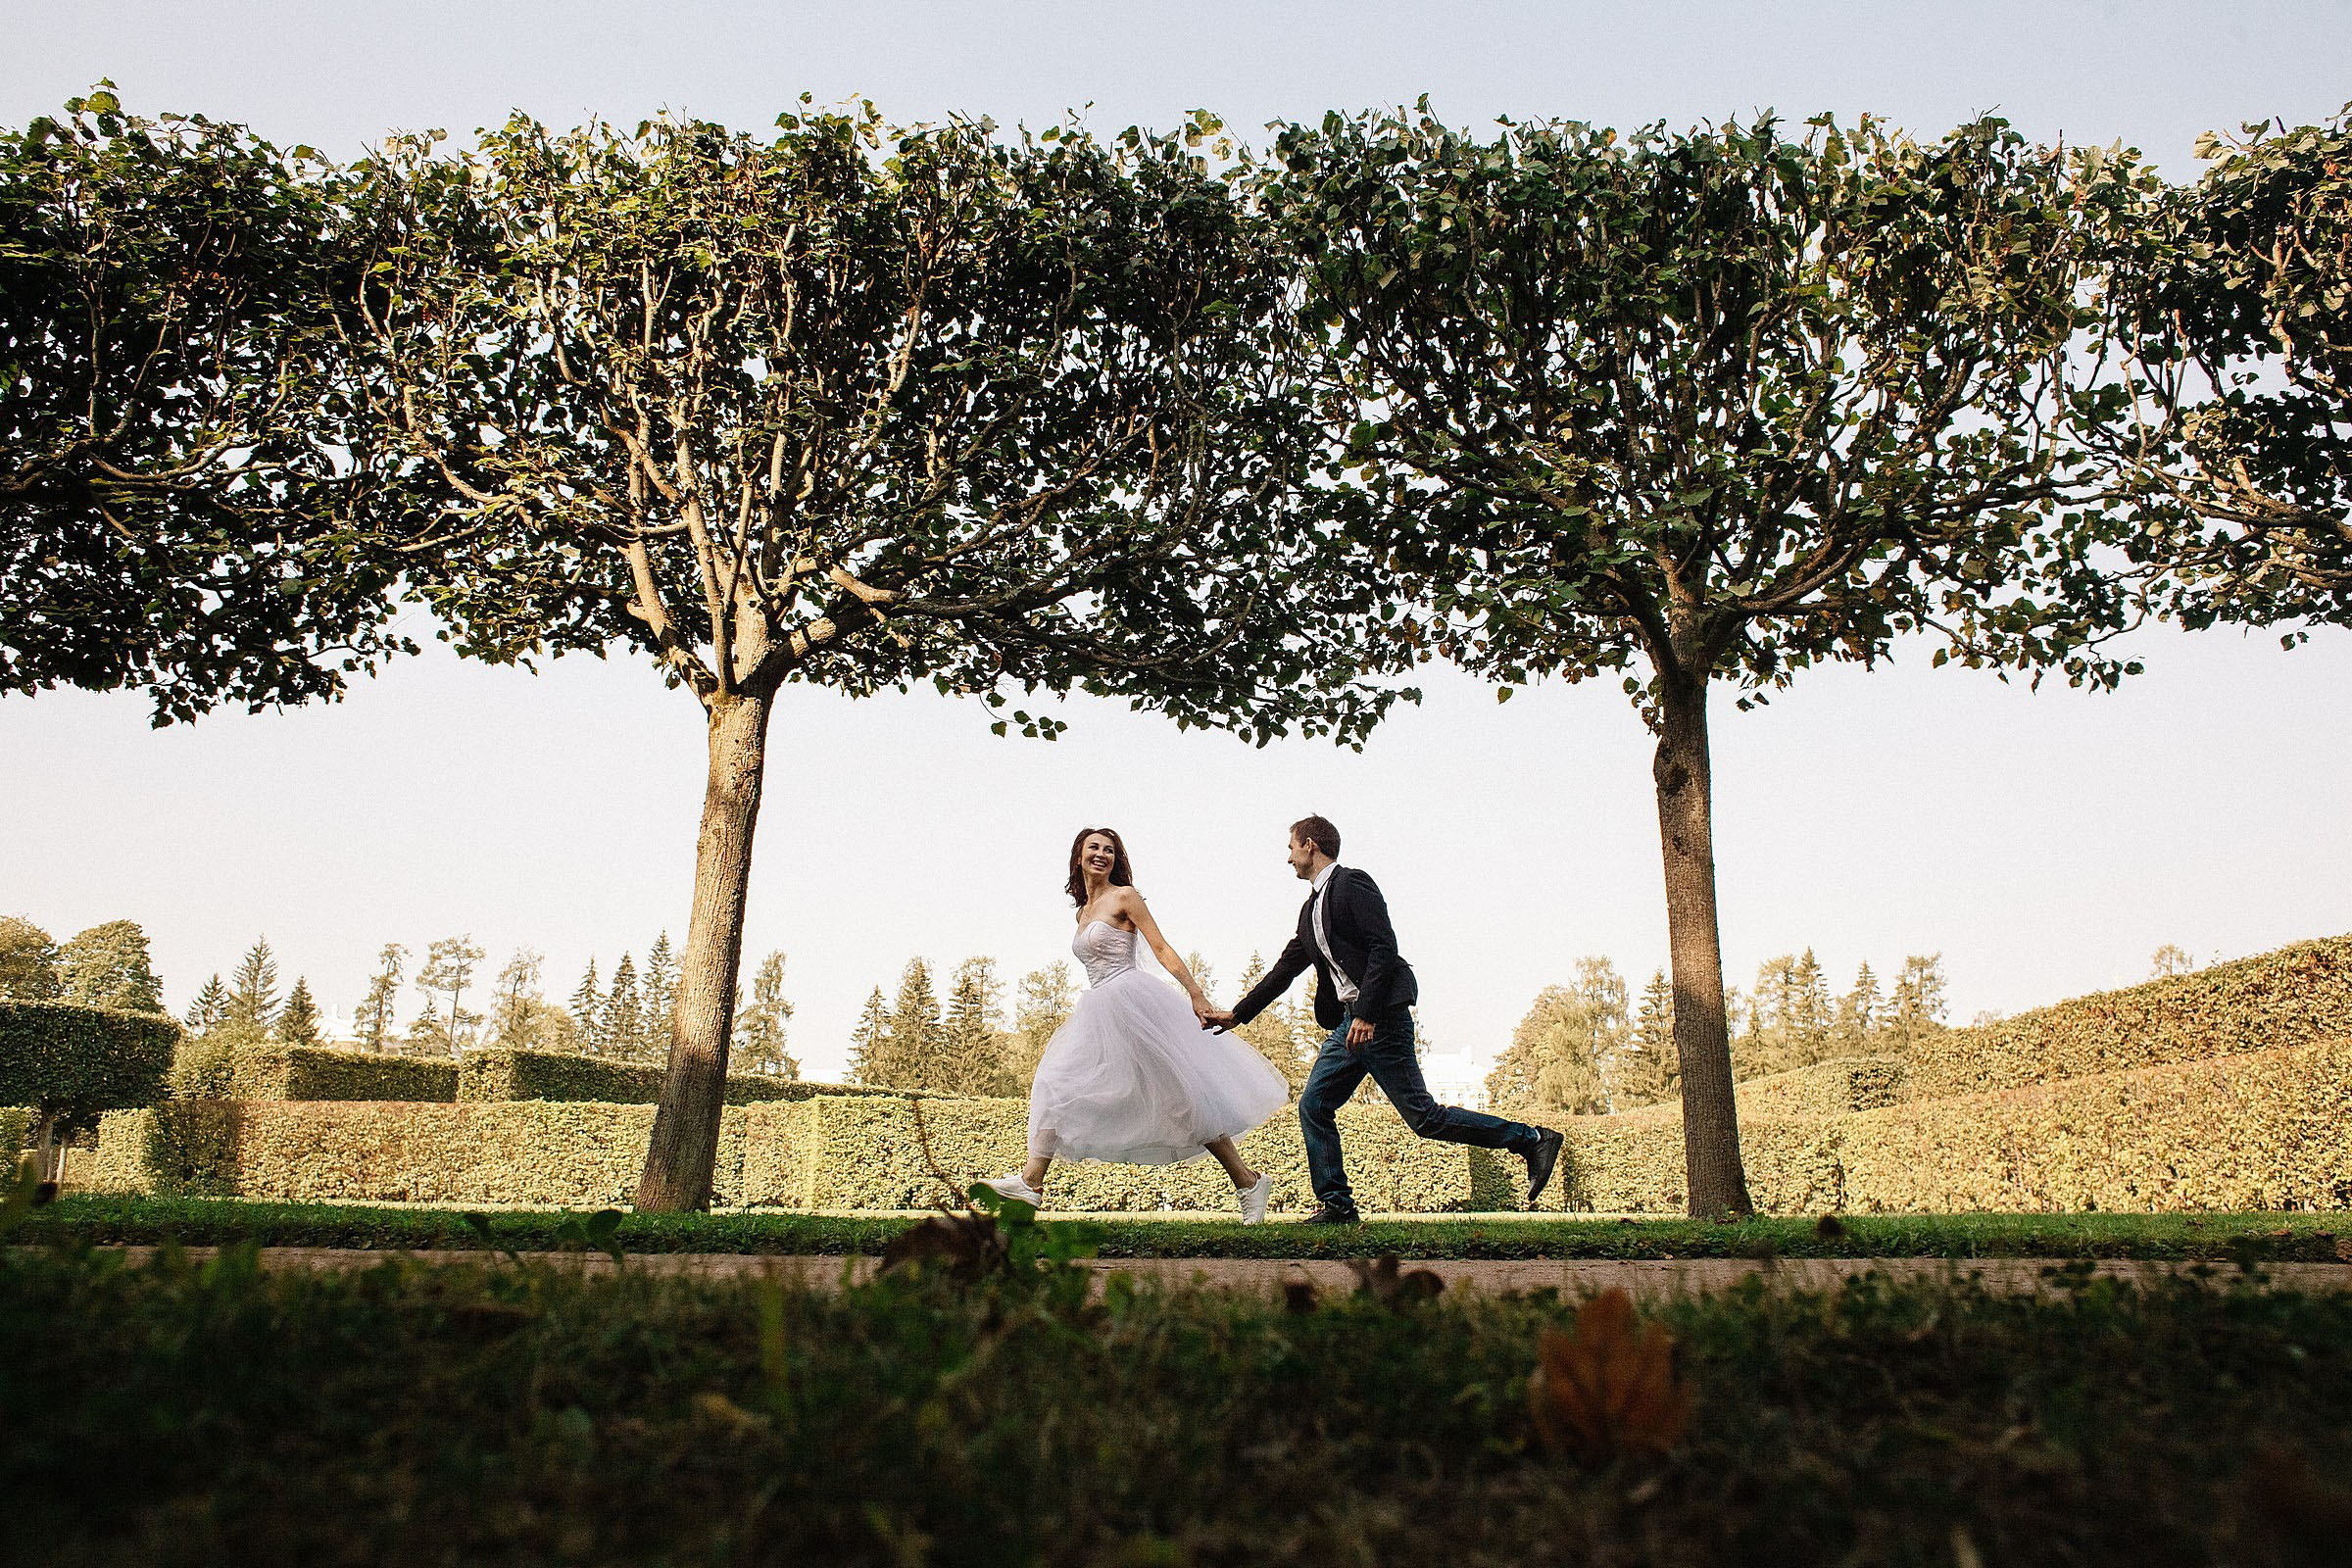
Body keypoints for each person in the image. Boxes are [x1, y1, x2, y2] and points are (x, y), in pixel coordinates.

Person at [1204, 814, 1566, 1224]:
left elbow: (1383, 948)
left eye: (1290, 848)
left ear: (1308, 844)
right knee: (1315, 1104)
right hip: (1349, 1026)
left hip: (1380, 1020)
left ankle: (1533, 1139)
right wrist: (1237, 1014)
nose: (1287, 859)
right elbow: (1285, 969)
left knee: (1424, 1118)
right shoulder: (1309, 912)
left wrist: (1367, 1013)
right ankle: (1337, 1206)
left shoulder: (1353, 884)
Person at [983, 827, 1287, 1223]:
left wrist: (1195, 992)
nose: (1101, 854)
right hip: (1098, 1011)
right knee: (1056, 1083)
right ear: (1079, 856)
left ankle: (1248, 1182)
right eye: (1093, 847)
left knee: (1182, 1100)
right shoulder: (1082, 912)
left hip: (1134, 1005)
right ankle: (1031, 1183)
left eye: (1109, 850)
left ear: (1116, 859)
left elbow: (1160, 947)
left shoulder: (1125, 897)